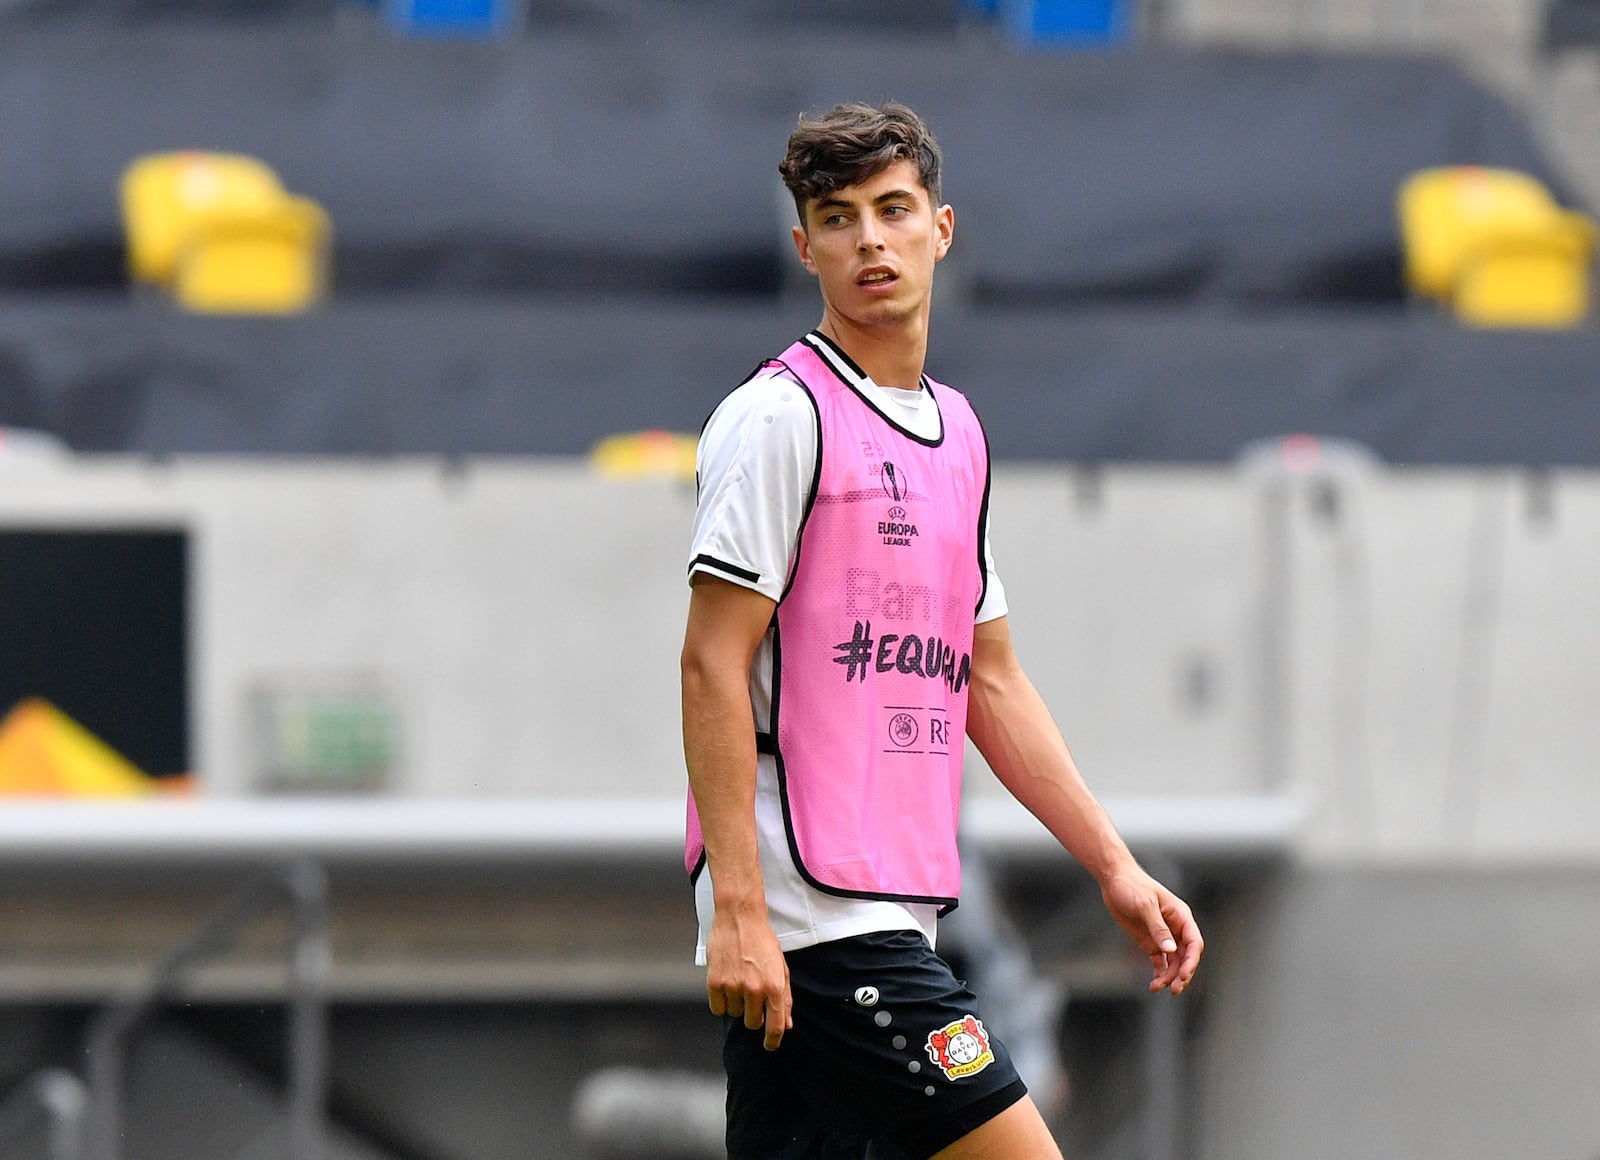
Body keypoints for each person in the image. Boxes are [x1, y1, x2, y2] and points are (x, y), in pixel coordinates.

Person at [680, 100, 1203, 1160]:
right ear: (806, 248)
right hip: (814, 917)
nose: (868, 238)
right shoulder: (780, 419)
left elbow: (992, 680)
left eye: (891, 209)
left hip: (884, 903)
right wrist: (740, 905)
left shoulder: (957, 434)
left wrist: (1113, 865)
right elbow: (710, 662)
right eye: (838, 218)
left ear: (940, 227)